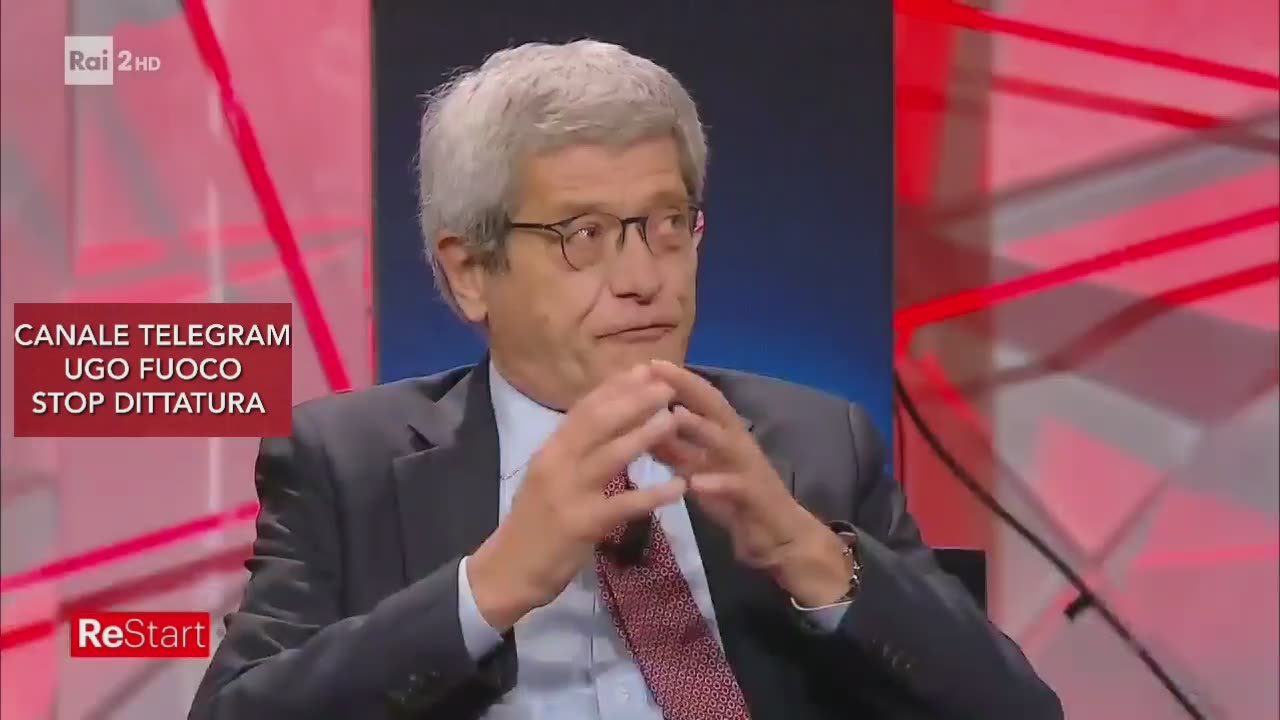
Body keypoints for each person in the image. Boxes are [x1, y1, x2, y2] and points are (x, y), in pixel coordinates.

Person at [189, 40, 1061, 720]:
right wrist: (490, 588)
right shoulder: (347, 464)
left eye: (666, 224)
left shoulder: (817, 445)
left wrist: (810, 556)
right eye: (585, 236)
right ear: (469, 272)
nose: (645, 278)